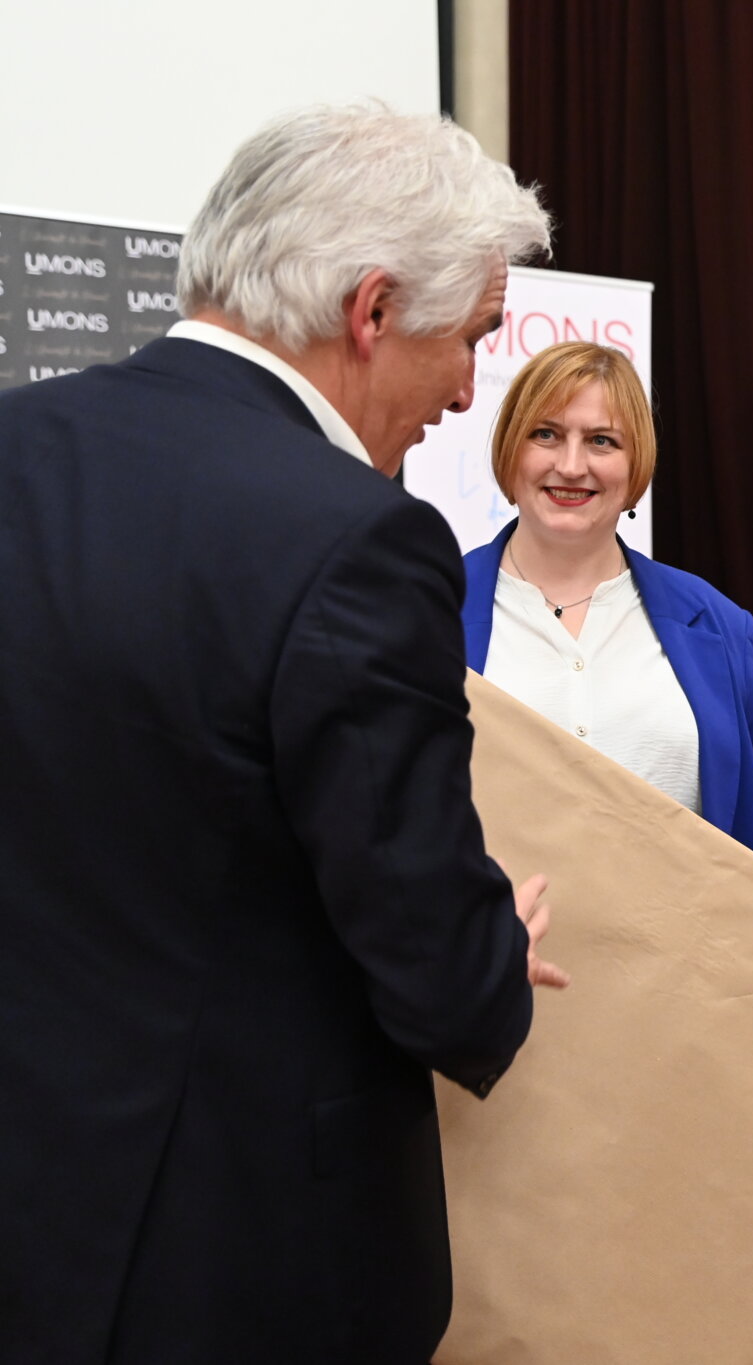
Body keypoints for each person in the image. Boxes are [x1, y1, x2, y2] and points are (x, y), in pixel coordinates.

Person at [0, 104, 568, 1365]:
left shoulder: (17, 446)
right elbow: (434, 963)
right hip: (233, 1249)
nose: (466, 389)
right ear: (372, 310)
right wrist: (493, 951)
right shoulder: (356, 537)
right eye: (471, 338)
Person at [461, 341, 753, 864]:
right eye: (545, 434)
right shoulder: (429, 608)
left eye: (601, 441)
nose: (571, 465)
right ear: (510, 450)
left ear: (636, 465)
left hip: (686, 918)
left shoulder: (718, 624)